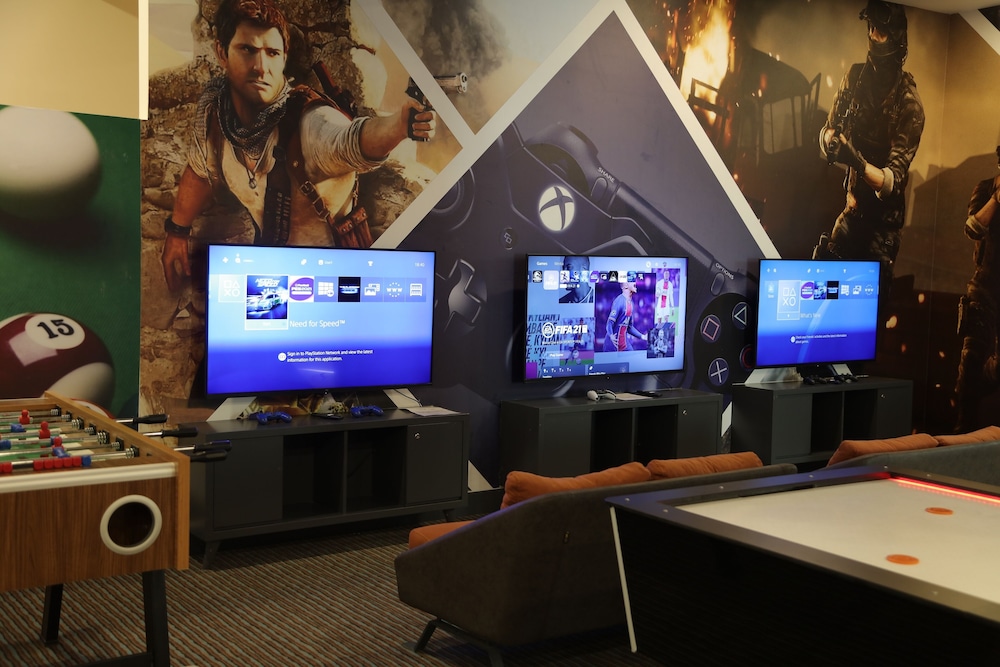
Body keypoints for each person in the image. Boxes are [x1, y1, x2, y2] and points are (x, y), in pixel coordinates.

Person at [161, 0, 435, 291]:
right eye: (247, 50)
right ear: (221, 53)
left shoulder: (311, 123)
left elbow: (352, 141)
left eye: (272, 53)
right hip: (271, 278)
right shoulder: (218, 120)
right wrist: (177, 231)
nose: (261, 67)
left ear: (283, 59)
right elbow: (201, 169)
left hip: (335, 283)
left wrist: (398, 126)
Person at [814, 1, 924, 292]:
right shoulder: (854, 78)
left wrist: (857, 162)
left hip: (882, 230)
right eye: (871, 29)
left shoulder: (909, 105)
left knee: (867, 307)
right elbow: (827, 130)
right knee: (822, 293)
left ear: (896, 39)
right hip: (852, 212)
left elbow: (891, 182)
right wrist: (830, 142)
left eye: (881, 32)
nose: (873, 36)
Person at [954, 146, 1000, 432]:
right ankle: (962, 429)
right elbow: (972, 228)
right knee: (970, 366)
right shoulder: (985, 189)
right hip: (984, 291)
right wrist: (996, 199)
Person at [604, 281, 645, 352]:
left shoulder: (630, 303)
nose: (635, 282)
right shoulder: (619, 301)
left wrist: (642, 336)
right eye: (632, 281)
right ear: (626, 285)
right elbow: (609, 323)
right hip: (612, 346)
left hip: (624, 346)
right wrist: (611, 335)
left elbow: (629, 327)